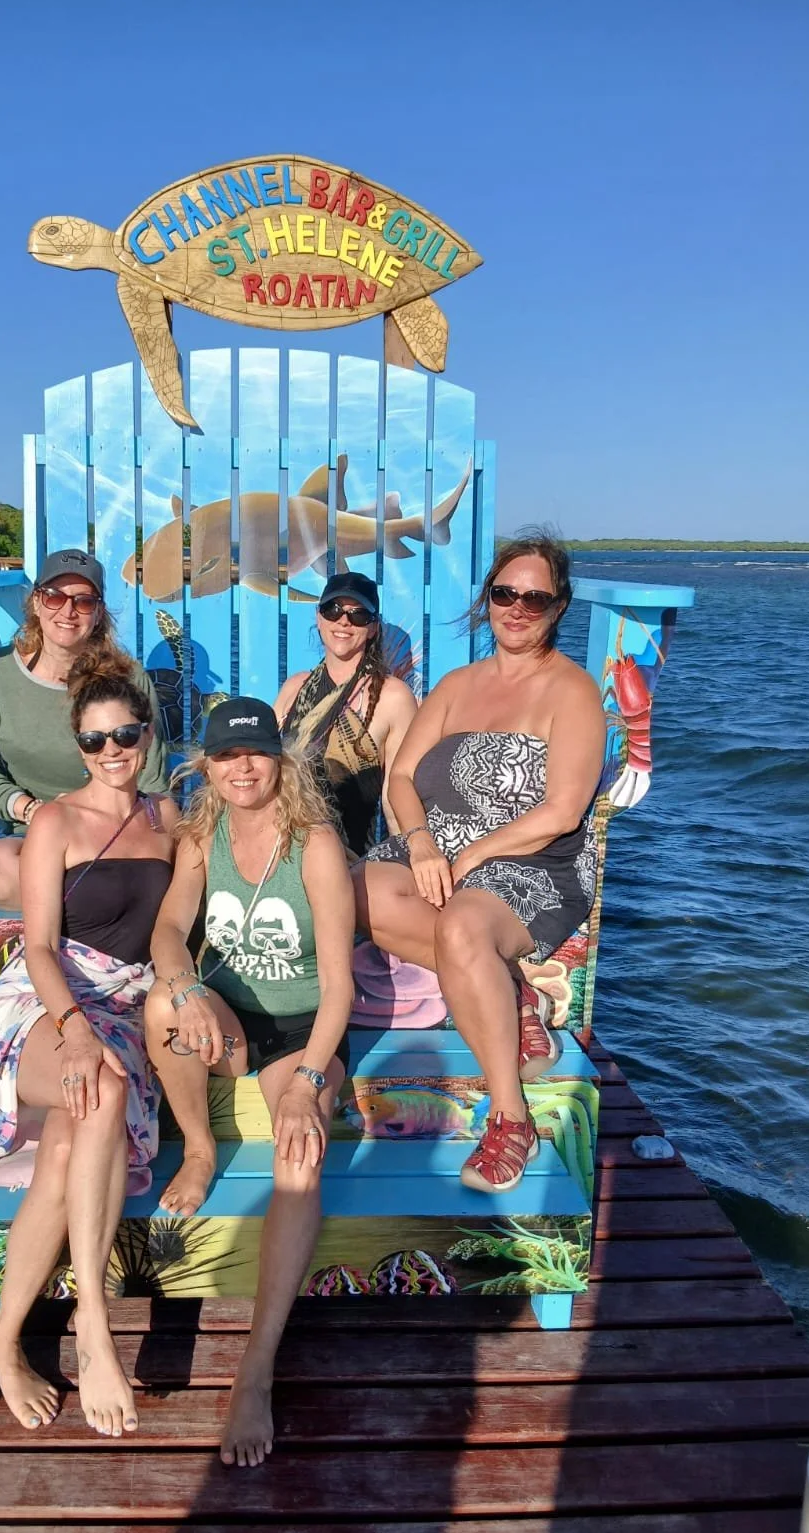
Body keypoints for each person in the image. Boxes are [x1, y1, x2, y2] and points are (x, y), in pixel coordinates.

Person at [0, 667, 178, 1437]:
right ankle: (95, 1328)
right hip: (51, 998)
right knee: (94, 1088)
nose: (111, 750)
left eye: (124, 735)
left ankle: (3, 1342)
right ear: (78, 745)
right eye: (94, 739)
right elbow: (36, 945)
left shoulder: (170, 817)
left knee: (74, 1136)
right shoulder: (57, 824)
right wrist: (72, 1029)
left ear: (147, 735)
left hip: (128, 1002)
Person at [354, 531, 605, 1194]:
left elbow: (563, 812)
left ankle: (510, 1116)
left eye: (535, 597)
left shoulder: (572, 691)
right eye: (505, 593)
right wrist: (422, 843)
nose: (517, 607)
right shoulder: (458, 685)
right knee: (345, 890)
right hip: (440, 846)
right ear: (488, 598)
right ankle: (510, 995)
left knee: (464, 926)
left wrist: (469, 857)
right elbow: (403, 777)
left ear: (558, 606)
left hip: (532, 861)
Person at [145, 699, 354, 1468]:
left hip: (303, 1033)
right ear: (205, 766)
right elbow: (170, 927)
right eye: (226, 758)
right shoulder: (202, 833)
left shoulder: (316, 844)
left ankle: (256, 1370)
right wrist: (185, 983)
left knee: (298, 1155)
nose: (242, 769)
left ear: (280, 760)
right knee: (161, 1005)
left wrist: (305, 1080)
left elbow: (341, 991)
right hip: (230, 1015)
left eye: (256, 756)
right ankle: (200, 1149)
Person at [0, 548, 170, 908]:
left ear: (99, 612)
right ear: (36, 603)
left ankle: (77, 912)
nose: (67, 611)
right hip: (34, 832)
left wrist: (87, 816)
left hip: (114, 836)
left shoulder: (129, 679)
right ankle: (95, 907)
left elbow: (152, 781)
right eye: (54, 596)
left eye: (83, 601)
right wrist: (32, 810)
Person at [274, 572, 418, 858]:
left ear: (373, 628)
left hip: (346, 859)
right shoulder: (294, 687)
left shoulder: (393, 697)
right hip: (281, 849)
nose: (344, 621)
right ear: (319, 617)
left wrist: (405, 860)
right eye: (333, 610)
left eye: (358, 615)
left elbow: (397, 792)